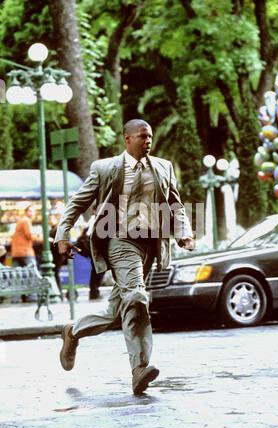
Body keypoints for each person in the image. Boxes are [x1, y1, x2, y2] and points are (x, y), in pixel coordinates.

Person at [55, 119, 195, 395]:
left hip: (150, 245)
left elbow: (175, 204)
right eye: (143, 136)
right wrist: (62, 234)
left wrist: (184, 232)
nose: (148, 141)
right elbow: (77, 203)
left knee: (118, 307)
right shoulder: (105, 168)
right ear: (127, 139)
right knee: (138, 297)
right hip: (119, 240)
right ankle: (139, 368)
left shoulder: (164, 167)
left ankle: (73, 332)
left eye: (150, 136)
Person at [11, 204, 38, 302]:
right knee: (32, 273)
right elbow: (29, 235)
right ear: (26, 211)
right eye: (30, 211)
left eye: (33, 211)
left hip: (16, 252)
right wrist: (44, 239)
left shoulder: (20, 221)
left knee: (17, 275)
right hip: (26, 251)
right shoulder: (26, 220)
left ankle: (15, 297)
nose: (32, 213)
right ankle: (32, 297)